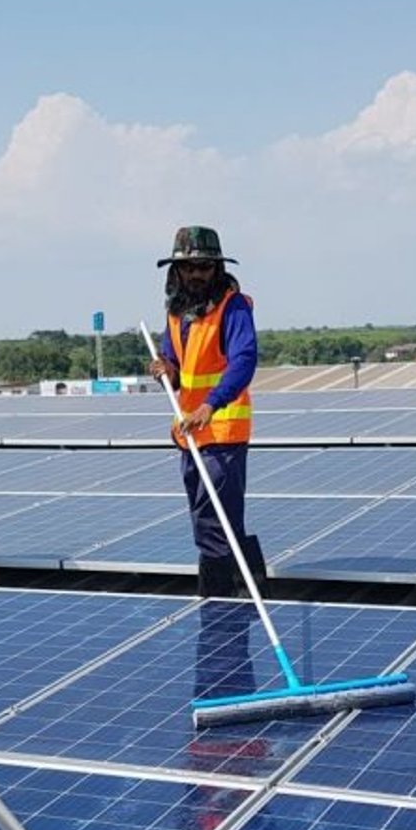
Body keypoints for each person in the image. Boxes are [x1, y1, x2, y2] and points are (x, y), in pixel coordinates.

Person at [148, 226, 266, 598]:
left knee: (219, 521)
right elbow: (179, 370)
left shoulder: (233, 308)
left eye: (204, 267)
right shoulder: (176, 313)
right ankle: (233, 591)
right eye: (189, 268)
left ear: (217, 268)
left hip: (223, 430)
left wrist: (210, 405)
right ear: (176, 272)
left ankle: (226, 598)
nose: (196, 274)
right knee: (205, 518)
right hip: (189, 433)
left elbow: (243, 361)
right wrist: (166, 370)